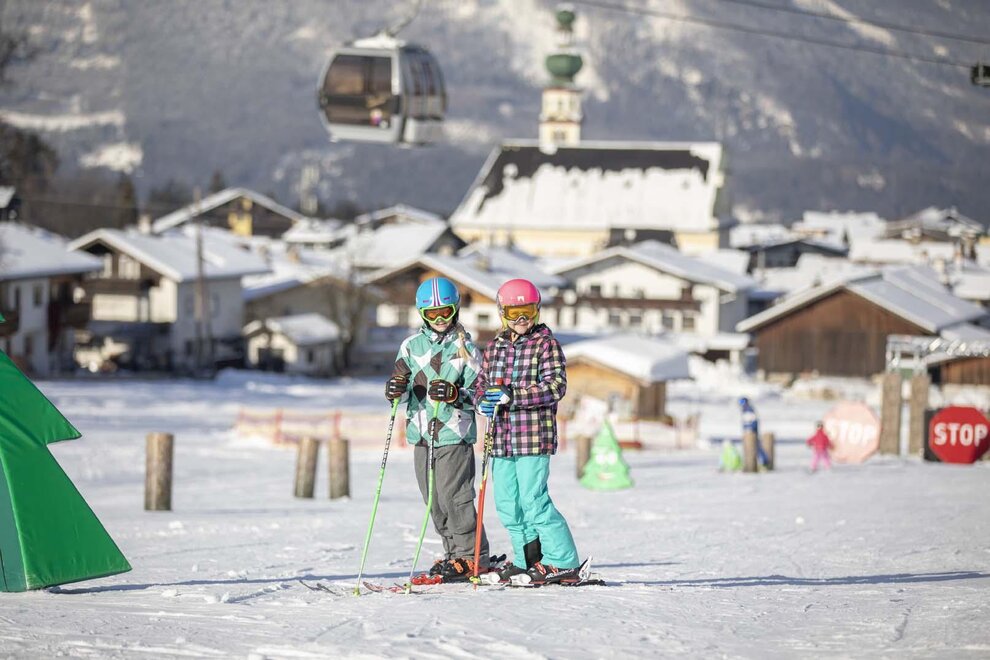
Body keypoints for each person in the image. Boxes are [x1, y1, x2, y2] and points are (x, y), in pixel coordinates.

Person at [476, 278, 582, 585]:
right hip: (501, 438)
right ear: (502, 313)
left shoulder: (546, 345)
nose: (522, 319)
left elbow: (555, 386)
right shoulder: (494, 348)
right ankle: (527, 560)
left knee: (533, 500)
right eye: (515, 312)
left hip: (533, 437)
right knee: (508, 505)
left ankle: (562, 560)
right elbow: (480, 385)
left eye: (529, 311)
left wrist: (513, 395)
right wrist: (482, 400)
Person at [384, 276, 489, 582]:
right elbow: (403, 389)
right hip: (421, 433)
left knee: (455, 496)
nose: (440, 319)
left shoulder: (466, 348)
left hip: (453, 432)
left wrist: (456, 395)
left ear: (455, 310)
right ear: (422, 314)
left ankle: (471, 555)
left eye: (445, 312)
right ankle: (453, 553)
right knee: (433, 499)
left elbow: (481, 396)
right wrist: (395, 391)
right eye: (432, 313)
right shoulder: (410, 346)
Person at [739, 397, 770, 468]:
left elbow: (753, 422)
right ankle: (755, 463)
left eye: (742, 402)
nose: (741, 404)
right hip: (748, 433)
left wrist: (751, 430)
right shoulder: (745, 410)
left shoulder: (749, 410)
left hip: (751, 432)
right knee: (752, 448)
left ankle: (764, 461)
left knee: (757, 446)